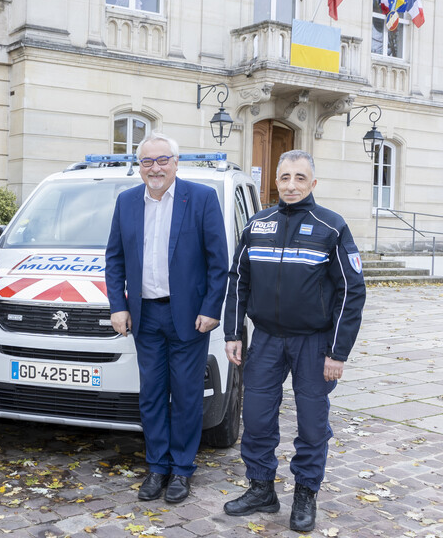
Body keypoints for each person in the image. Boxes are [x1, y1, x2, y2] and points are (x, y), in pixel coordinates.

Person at [223, 150, 366, 532]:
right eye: (284, 177)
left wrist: (338, 352)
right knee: (255, 418)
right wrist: (234, 333)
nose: (291, 185)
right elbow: (238, 281)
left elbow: (351, 292)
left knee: (312, 424)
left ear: (313, 183)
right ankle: (260, 488)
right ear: (276, 181)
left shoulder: (331, 227)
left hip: (314, 344)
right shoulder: (257, 224)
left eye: (300, 178)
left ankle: (306, 492)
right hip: (266, 340)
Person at [105, 133, 228, 503]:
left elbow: (218, 263)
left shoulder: (201, 198)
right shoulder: (126, 202)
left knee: (187, 396)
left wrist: (211, 309)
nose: (154, 168)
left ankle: (182, 469)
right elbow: (114, 259)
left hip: (189, 318)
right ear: (138, 166)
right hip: (145, 316)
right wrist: (118, 305)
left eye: (162, 160)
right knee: (152, 396)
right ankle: (157, 466)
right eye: (146, 162)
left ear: (176, 162)